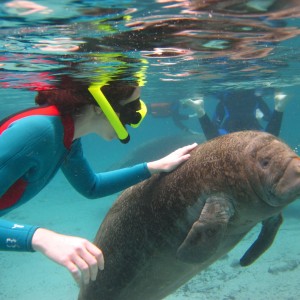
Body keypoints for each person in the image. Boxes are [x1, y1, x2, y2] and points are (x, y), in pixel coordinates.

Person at [0, 76, 197, 286]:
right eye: (131, 106)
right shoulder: (40, 132)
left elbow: (91, 186)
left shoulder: (67, 134)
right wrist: (40, 238)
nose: (135, 115)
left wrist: (152, 167)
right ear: (98, 106)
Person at [182, 89, 289, 140]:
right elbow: (269, 117)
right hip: (253, 129)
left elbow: (215, 124)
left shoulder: (224, 100)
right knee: (270, 139)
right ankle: (279, 108)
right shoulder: (256, 98)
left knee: (213, 141)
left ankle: (200, 111)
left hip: (229, 131)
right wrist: (261, 116)